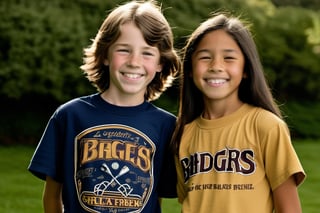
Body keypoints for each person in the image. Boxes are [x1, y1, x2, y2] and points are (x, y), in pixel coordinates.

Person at [28, 1, 180, 212]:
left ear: (160, 63)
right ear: (105, 55)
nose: (134, 62)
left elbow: (154, 197)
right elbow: (52, 197)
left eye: (147, 53)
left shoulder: (166, 125)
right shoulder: (70, 116)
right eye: (124, 50)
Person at [171, 13, 306, 213]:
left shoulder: (266, 126)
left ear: (246, 69)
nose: (216, 66)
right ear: (190, 68)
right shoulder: (184, 134)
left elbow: (290, 209)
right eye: (205, 57)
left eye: (229, 58)